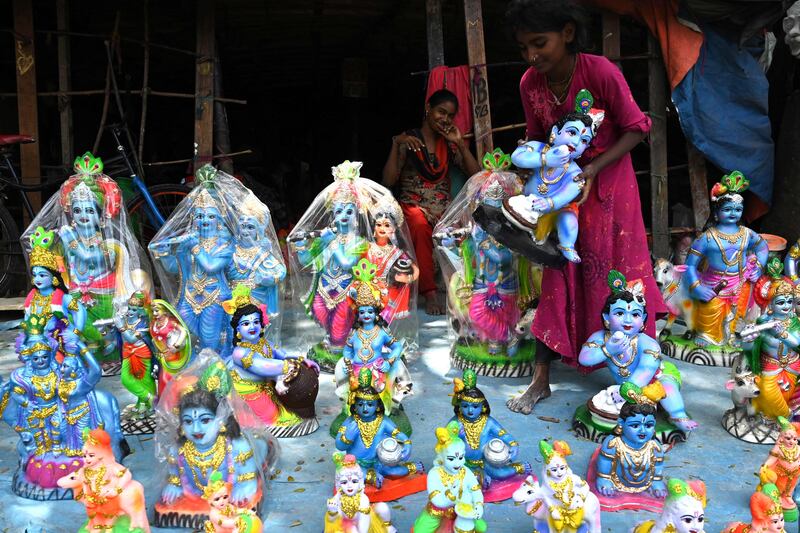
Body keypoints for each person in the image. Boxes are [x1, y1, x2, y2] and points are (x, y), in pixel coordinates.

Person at [504, 0, 667, 414]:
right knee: (558, 271)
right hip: (562, 193)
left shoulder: (600, 72)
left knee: (620, 277)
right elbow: (537, 137)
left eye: (539, 43)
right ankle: (541, 379)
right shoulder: (530, 83)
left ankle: (641, 381)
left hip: (611, 189)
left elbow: (636, 128)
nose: (532, 56)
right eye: (524, 47)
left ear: (569, 33)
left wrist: (591, 168)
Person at [382, 89, 481, 315]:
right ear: (428, 109)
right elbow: (388, 179)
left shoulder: (448, 144)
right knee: (418, 224)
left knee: (464, 228)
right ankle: (430, 293)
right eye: (441, 112)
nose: (445, 119)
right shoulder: (409, 140)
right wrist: (396, 145)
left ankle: (466, 291)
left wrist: (460, 143)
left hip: (443, 210)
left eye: (450, 115)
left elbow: (476, 176)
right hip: (412, 206)